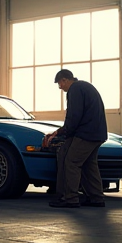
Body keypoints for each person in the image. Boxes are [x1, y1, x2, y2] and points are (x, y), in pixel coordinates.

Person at [44, 69, 107, 208]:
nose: (60, 88)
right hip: (98, 134)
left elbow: (74, 115)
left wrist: (62, 132)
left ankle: (70, 198)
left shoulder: (75, 89)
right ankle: (96, 198)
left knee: (70, 162)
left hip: (86, 134)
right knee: (89, 165)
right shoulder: (85, 86)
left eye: (60, 84)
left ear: (65, 80)